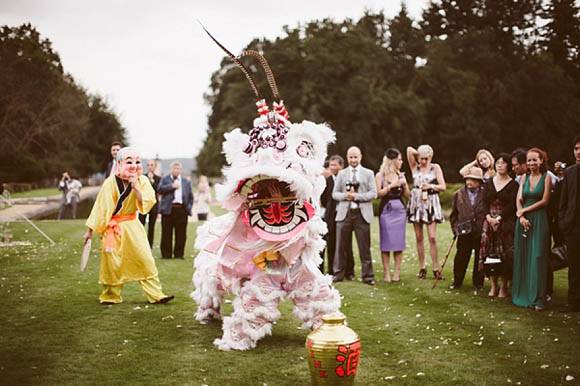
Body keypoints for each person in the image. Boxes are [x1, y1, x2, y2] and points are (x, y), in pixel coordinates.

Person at [83, 147, 173, 304]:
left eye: (137, 162)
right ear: (119, 163)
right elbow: (100, 208)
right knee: (111, 262)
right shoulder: (110, 183)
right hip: (113, 228)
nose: (133, 165)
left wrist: (136, 187)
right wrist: (89, 231)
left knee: (144, 258)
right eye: (129, 161)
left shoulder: (142, 181)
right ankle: (111, 296)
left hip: (132, 225)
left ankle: (156, 294)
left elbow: (147, 202)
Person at [513, 147, 552, 311]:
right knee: (523, 256)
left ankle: (538, 298)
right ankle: (523, 294)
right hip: (523, 221)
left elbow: (545, 201)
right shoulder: (523, 177)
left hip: (539, 219)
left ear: (541, 160)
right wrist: (521, 217)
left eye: (535, 159)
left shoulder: (547, 177)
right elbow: (519, 199)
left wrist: (525, 211)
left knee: (537, 257)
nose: (531, 163)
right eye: (529, 160)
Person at [332, 146, 377, 285]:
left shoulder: (368, 173)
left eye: (355, 157)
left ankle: (368, 276)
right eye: (350, 157)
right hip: (344, 214)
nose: (353, 160)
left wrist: (356, 196)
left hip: (361, 214)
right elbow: (335, 194)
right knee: (340, 247)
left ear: (360, 157)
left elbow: (373, 193)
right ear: (347, 157)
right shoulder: (341, 174)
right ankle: (338, 274)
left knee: (364, 248)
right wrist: (346, 196)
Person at [479, 153, 518, 297]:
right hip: (489, 222)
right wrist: (489, 218)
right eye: (498, 162)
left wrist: (499, 219)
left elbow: (513, 205)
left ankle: (504, 287)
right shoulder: (489, 182)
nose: (500, 165)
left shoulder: (514, 184)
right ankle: (493, 285)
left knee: (504, 254)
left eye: (503, 163)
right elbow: (483, 203)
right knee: (490, 254)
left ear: (509, 165)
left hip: (505, 222)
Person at [406, 145, 446, 280]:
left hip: (430, 201)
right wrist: (419, 153)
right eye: (421, 158)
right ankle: (422, 267)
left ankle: (436, 268)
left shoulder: (436, 168)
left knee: (432, 237)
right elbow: (408, 150)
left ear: (430, 157)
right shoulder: (415, 167)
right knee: (419, 237)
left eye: (426, 158)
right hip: (416, 202)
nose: (423, 161)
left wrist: (431, 186)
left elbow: (443, 187)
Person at [448, 167, 486, 290]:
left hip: (480, 231)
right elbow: (453, 215)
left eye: (473, 179)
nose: (469, 182)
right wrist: (456, 229)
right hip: (464, 232)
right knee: (461, 257)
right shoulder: (458, 194)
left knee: (479, 258)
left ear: (479, 181)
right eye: (467, 179)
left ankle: (478, 283)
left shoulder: (485, 194)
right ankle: (457, 282)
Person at [375, 148, 410, 282]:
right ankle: (386, 273)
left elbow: (408, 196)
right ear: (392, 160)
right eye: (400, 159)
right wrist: (391, 186)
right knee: (386, 243)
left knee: (398, 242)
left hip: (399, 211)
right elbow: (378, 194)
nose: (401, 162)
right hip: (386, 211)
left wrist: (405, 185)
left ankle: (396, 272)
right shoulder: (380, 175)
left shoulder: (401, 175)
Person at [320, 155, 352, 276]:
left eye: (335, 165)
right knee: (330, 243)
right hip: (330, 216)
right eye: (330, 165)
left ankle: (348, 271)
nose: (332, 167)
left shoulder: (346, 179)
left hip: (345, 214)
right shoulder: (326, 181)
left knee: (346, 245)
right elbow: (323, 198)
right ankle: (331, 271)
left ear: (341, 166)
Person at [558, 135, 580, 312]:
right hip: (572, 227)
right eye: (576, 148)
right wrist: (564, 222)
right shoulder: (570, 172)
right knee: (574, 266)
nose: (579, 152)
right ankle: (573, 302)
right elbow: (563, 201)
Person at [158, 160, 194, 259]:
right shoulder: (165, 179)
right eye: (174, 168)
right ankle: (166, 254)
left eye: (178, 168)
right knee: (166, 234)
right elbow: (159, 189)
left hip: (182, 210)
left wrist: (188, 208)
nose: (176, 170)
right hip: (168, 210)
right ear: (170, 169)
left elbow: (191, 197)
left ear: (180, 170)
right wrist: (171, 186)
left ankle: (179, 254)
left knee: (181, 234)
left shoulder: (186, 181)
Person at [138, 159, 161, 247]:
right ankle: (140, 243)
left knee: (152, 226)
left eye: (152, 165)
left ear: (154, 167)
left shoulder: (158, 179)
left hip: (154, 205)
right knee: (141, 224)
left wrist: (152, 181)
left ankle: (149, 244)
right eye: (148, 165)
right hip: (143, 204)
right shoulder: (142, 177)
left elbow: (159, 190)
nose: (150, 167)